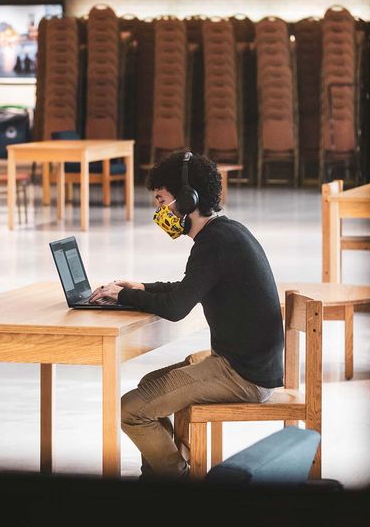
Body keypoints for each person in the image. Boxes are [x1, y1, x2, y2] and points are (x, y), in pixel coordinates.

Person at [88, 150, 285, 479]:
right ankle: (156, 481)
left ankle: (179, 483)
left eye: (161, 200)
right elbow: (187, 287)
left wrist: (124, 295)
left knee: (130, 411)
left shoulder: (213, 244)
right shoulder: (225, 233)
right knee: (148, 385)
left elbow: (177, 308)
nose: (159, 210)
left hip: (243, 376)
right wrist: (140, 286)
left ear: (187, 199)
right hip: (248, 365)